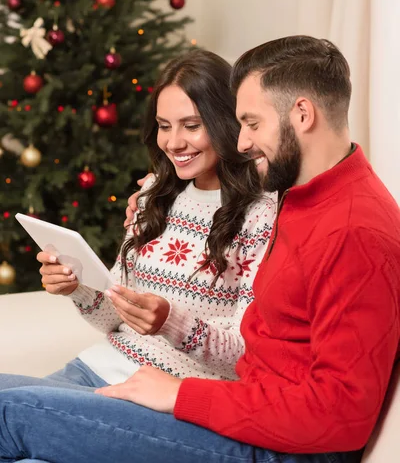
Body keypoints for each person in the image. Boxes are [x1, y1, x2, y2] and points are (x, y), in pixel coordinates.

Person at [1, 35, 399, 463]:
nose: (242, 143)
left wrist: (182, 393)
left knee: (8, 413)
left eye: (251, 123)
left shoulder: (354, 230)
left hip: (271, 444)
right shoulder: (300, 198)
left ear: (302, 114)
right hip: (243, 416)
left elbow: (339, 415)